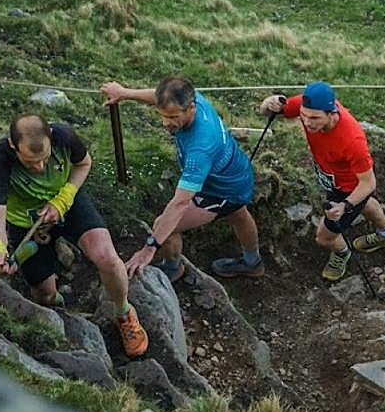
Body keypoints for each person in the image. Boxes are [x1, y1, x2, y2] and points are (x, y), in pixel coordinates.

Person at [0, 114, 148, 358]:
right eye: (29, 162)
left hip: (67, 202)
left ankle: (124, 312)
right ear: (12, 145)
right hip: (27, 221)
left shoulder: (64, 136)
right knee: (44, 295)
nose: (39, 167)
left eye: (44, 159)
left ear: (50, 137)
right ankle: (60, 310)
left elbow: (84, 164)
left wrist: (63, 199)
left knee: (107, 257)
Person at [100, 76, 263, 280]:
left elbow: (180, 203)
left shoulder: (200, 148)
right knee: (239, 214)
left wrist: (149, 249)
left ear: (191, 108)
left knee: (165, 224)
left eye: (173, 117)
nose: (166, 123)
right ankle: (252, 262)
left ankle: (172, 268)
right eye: (162, 115)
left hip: (221, 190)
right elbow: (159, 96)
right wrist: (125, 93)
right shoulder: (191, 98)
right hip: (237, 170)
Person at [260, 81, 385, 281]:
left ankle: (342, 253)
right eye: (304, 115)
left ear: (332, 113)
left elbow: (368, 184)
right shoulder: (306, 106)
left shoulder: (352, 140)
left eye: (315, 118)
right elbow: (269, 112)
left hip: (349, 188)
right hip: (331, 177)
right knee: (366, 204)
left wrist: (345, 205)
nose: (307, 122)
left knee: (324, 237)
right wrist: (269, 104)